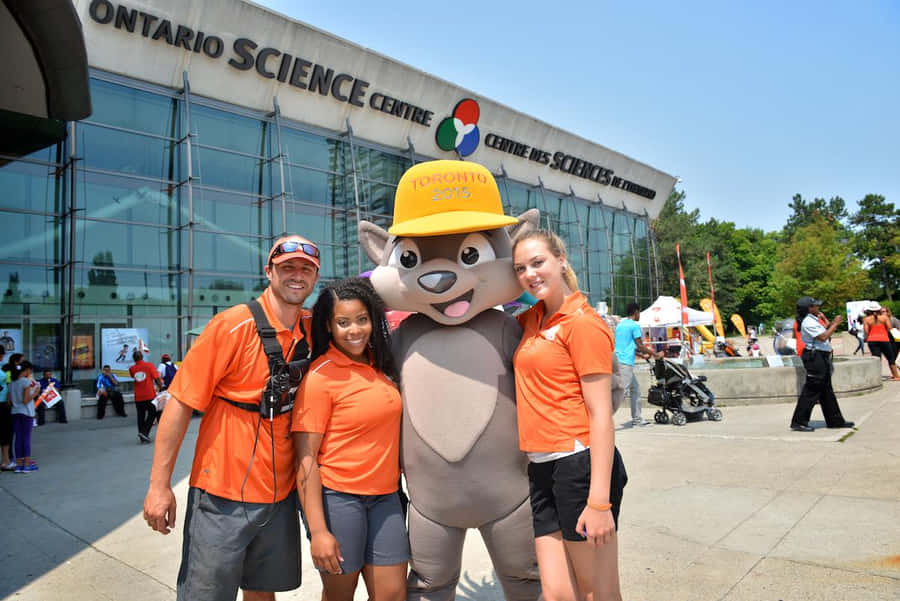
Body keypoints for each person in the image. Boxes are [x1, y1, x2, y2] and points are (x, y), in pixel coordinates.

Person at [143, 234, 320, 601]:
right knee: (205, 594)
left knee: (262, 590)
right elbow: (179, 403)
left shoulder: (313, 328)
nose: (297, 276)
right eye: (287, 267)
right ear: (268, 271)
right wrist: (159, 486)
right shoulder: (231, 326)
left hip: (281, 494)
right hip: (221, 494)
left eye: (307, 269)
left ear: (316, 277)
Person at [512, 229, 627, 601]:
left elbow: (600, 414)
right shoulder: (533, 319)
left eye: (538, 262)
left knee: (599, 592)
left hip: (579, 464)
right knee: (559, 593)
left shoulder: (584, 323)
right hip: (541, 465)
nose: (530, 274)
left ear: (561, 260)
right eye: (520, 269)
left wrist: (599, 502)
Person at [293, 278, 407, 601]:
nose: (354, 330)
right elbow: (305, 459)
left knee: (393, 594)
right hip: (339, 499)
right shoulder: (320, 376)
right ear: (328, 326)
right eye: (343, 323)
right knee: (340, 595)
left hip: (386, 498)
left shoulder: (381, 366)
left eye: (362, 320)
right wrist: (318, 531)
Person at [790, 297, 855, 432]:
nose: (818, 308)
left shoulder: (812, 320)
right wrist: (836, 324)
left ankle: (835, 420)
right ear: (809, 308)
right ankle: (799, 421)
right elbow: (823, 337)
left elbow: (824, 331)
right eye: (815, 306)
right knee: (812, 389)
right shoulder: (808, 322)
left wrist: (828, 322)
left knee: (826, 390)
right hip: (815, 357)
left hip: (820, 356)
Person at [614, 302, 660, 427]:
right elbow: (640, 345)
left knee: (635, 389)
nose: (639, 315)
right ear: (636, 312)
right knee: (621, 393)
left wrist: (642, 356)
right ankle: (602, 418)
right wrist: (655, 354)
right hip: (625, 363)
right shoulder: (634, 326)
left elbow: (628, 346)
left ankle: (637, 419)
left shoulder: (620, 325)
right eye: (639, 312)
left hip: (617, 360)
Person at [9, 360, 41, 473]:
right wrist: (36, 393)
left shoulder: (12, 383)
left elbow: (10, 402)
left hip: (15, 412)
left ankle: (18, 464)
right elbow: (26, 399)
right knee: (26, 438)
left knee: (18, 438)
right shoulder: (25, 382)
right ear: (27, 370)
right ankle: (27, 464)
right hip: (26, 413)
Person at [129, 350, 162, 443]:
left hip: (138, 396)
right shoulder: (149, 365)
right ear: (142, 357)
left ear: (134, 359)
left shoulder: (132, 368)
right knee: (153, 413)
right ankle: (144, 432)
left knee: (140, 416)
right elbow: (156, 378)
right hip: (149, 395)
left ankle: (142, 435)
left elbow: (133, 376)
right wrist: (160, 387)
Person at [862, 302, 900, 380]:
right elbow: (889, 328)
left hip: (872, 340)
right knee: (890, 358)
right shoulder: (884, 318)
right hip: (884, 339)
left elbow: (866, 331)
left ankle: (877, 377)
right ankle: (896, 376)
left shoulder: (866, 319)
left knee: (876, 359)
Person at [0, 348, 18, 471]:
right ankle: (6, 461)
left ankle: (6, 461)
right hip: (2, 404)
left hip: (4, 403)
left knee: (6, 433)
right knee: (6, 432)